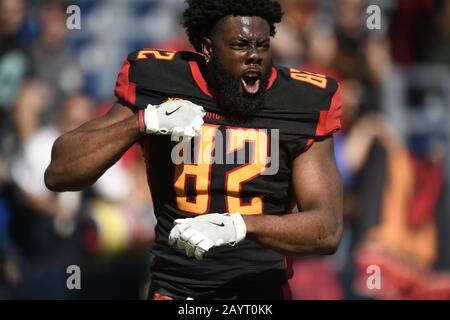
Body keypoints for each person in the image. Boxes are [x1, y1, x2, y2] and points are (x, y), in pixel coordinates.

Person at [45, 0, 343, 300]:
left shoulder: (300, 103)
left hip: (259, 295)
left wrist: (239, 226)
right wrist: (145, 121)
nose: (254, 56)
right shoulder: (161, 81)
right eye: (240, 44)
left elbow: (327, 229)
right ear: (208, 48)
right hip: (175, 292)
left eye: (262, 45)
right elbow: (59, 173)